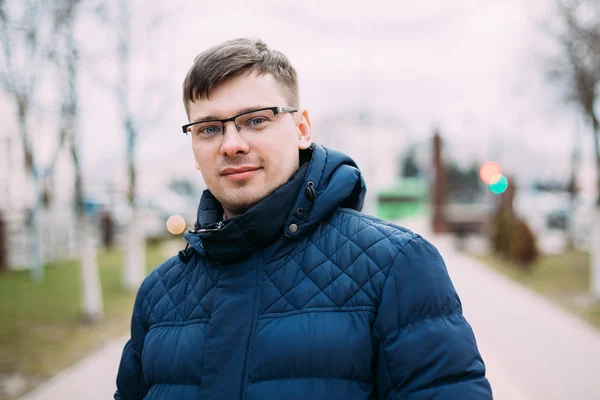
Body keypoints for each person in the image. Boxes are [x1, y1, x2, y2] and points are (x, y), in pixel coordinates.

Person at [115, 38, 493, 400]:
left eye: (255, 120)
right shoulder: (158, 296)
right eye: (209, 128)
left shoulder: (396, 267)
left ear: (301, 129)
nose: (231, 144)